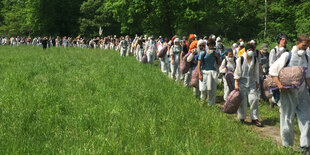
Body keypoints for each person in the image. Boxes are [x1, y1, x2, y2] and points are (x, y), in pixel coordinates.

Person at [269, 34, 310, 152]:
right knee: (287, 118)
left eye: (307, 46)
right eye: (303, 45)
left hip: (302, 93)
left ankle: (304, 145)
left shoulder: (307, 58)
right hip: (288, 93)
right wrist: (280, 85)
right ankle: (287, 146)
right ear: (297, 43)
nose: (305, 48)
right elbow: (273, 70)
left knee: (306, 117)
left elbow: (308, 76)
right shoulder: (288, 55)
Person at [234, 44, 263, 127]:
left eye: (252, 50)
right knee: (242, 101)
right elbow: (237, 72)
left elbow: (256, 72)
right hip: (242, 82)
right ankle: (242, 118)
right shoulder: (240, 59)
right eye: (249, 49)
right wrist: (236, 84)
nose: (251, 51)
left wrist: (257, 82)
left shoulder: (255, 60)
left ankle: (254, 118)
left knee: (254, 100)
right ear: (246, 50)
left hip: (252, 82)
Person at [198, 39, 221, 105]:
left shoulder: (215, 53)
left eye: (212, 45)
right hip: (204, 72)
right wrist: (200, 74)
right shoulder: (203, 53)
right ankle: (202, 103)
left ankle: (211, 104)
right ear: (207, 46)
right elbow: (199, 64)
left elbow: (219, 63)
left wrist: (217, 56)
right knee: (203, 89)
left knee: (212, 90)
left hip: (212, 72)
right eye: (209, 45)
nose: (211, 47)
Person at [269, 33, 289, 108]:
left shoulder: (287, 51)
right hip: (275, 73)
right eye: (283, 39)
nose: (284, 41)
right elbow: (271, 64)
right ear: (279, 40)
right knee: (276, 91)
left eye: (285, 40)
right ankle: (273, 101)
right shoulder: (273, 51)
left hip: (284, 74)